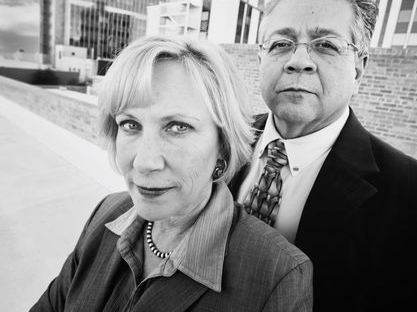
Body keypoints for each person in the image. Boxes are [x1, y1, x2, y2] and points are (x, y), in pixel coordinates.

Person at [30, 36, 313, 311]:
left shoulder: (279, 275)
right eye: (130, 124)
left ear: (223, 147)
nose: (144, 162)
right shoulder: (105, 213)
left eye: (178, 127)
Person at [229, 0, 417, 312]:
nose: (298, 61)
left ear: (359, 69)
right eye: (281, 44)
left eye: (326, 45)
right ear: (261, 58)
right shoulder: (219, 142)